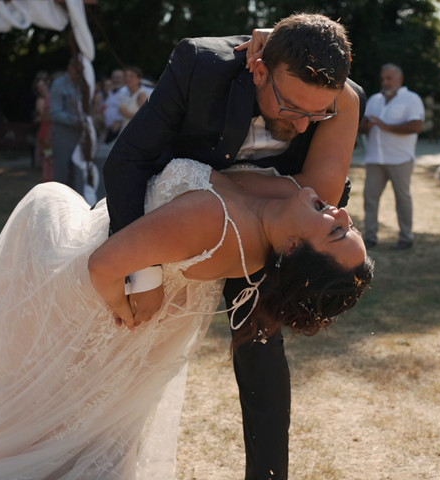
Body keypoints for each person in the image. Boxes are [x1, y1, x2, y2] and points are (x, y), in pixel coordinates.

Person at [0, 157, 373, 479]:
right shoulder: (288, 205)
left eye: (337, 231)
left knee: (48, 201)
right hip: (139, 295)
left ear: (298, 245)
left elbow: (103, 265)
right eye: (350, 227)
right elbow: (342, 104)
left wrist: (135, 298)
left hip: (99, 286)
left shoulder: (213, 220)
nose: (342, 211)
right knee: (74, 413)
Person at [104, 12, 364, 479]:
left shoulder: (337, 99)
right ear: (259, 69)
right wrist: (138, 273)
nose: (305, 128)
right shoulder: (200, 66)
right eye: (292, 109)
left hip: (270, 236)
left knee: (261, 348)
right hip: (171, 229)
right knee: (128, 352)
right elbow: (127, 160)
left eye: (318, 114)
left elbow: (321, 190)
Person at [360, 63, 424, 250]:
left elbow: (416, 126)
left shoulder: (412, 99)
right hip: (375, 159)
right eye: (383, 79)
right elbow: (360, 125)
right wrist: (367, 127)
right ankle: (370, 237)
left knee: (402, 199)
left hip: (400, 159)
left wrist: (387, 126)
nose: (385, 82)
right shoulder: (374, 100)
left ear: (400, 80)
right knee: (369, 198)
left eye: (389, 78)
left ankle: (406, 237)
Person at [49, 56, 86, 195]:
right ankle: (58, 200)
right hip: (63, 134)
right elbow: (56, 112)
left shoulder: (84, 84)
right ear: (70, 68)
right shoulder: (59, 84)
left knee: (79, 172)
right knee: (62, 171)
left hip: (81, 135)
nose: (80, 73)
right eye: (78, 70)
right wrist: (76, 121)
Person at [32, 71, 53, 182]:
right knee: (47, 157)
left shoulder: (51, 98)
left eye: (42, 86)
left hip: (50, 130)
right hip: (46, 131)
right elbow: (44, 117)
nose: (41, 88)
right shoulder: (41, 101)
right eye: (39, 87)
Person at [117, 65, 151, 132]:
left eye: (131, 76)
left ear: (139, 79)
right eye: (126, 76)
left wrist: (125, 113)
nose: (128, 78)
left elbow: (144, 117)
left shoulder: (141, 95)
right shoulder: (125, 93)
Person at [101, 68, 127, 144]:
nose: (116, 80)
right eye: (114, 77)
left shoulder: (125, 92)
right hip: (105, 128)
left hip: (117, 128)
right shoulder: (110, 92)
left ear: (123, 79)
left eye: (118, 78)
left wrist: (118, 122)